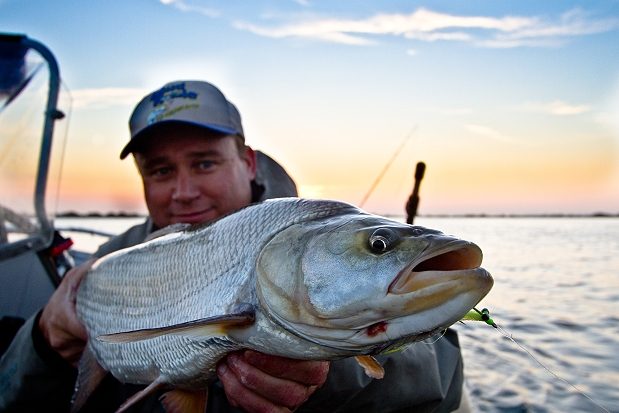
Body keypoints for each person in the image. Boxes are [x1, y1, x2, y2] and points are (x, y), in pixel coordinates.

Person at [0, 80, 466, 412]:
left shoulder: (311, 236)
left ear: (246, 162)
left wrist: (324, 368)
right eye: (160, 171)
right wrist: (42, 339)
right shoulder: (110, 260)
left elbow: (441, 379)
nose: (183, 192)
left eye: (204, 163)